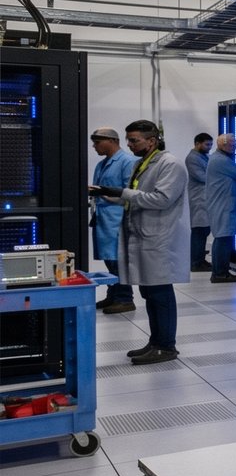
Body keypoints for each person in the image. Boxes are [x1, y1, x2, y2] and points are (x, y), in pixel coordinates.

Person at [91, 120, 188, 365]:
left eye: (134, 140)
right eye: (129, 140)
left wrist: (120, 192)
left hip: (160, 238)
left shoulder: (171, 164)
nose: (130, 145)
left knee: (160, 293)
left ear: (152, 140)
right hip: (143, 235)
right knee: (149, 292)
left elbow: (162, 199)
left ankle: (166, 346)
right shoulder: (140, 163)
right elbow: (134, 197)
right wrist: (106, 194)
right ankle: (155, 341)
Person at [89, 127, 137, 314]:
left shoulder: (128, 162)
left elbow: (130, 193)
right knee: (110, 260)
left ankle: (125, 299)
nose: (94, 146)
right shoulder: (102, 165)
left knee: (118, 260)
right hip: (104, 218)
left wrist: (103, 193)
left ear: (112, 141)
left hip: (117, 219)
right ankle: (114, 295)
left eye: (98, 142)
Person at [205, 133, 236, 283]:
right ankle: (220, 273)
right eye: (232, 144)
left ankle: (220, 271)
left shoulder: (219, 158)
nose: (235, 147)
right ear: (222, 145)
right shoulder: (221, 161)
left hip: (222, 204)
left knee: (222, 237)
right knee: (223, 238)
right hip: (223, 205)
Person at [186, 132, 213, 271]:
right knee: (199, 230)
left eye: (211, 144)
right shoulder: (192, 158)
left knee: (204, 230)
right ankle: (196, 262)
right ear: (197, 143)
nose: (209, 147)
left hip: (204, 198)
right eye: (207, 144)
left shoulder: (203, 157)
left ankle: (199, 259)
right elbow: (202, 177)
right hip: (199, 198)